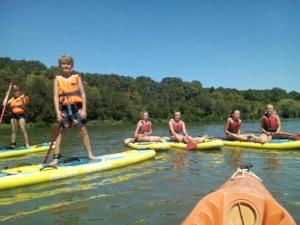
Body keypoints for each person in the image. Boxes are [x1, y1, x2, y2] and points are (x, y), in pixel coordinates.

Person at [50, 55, 97, 165]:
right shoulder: (57, 79)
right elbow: (56, 97)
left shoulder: (77, 77)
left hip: (77, 108)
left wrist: (84, 109)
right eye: (63, 64)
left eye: (68, 63)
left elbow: (83, 94)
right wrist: (57, 113)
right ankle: (56, 159)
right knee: (60, 133)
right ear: (60, 66)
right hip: (64, 110)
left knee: (83, 131)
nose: (66, 65)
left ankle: (90, 154)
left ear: (72, 65)